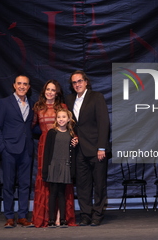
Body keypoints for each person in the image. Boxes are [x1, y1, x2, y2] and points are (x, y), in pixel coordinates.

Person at [65, 70, 110, 226]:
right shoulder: (69, 99)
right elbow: (70, 123)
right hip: (79, 150)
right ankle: (85, 214)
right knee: (83, 186)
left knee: (99, 184)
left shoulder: (96, 97)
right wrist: (73, 137)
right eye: (74, 82)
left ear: (86, 82)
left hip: (97, 149)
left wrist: (102, 147)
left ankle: (98, 214)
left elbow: (104, 123)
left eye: (79, 81)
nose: (77, 84)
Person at [31, 80, 76, 227]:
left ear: (57, 93)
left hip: (61, 145)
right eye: (48, 89)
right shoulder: (38, 107)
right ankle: (44, 218)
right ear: (44, 91)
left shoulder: (62, 107)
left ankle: (60, 217)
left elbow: (69, 127)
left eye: (53, 90)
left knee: (62, 184)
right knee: (46, 181)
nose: (50, 92)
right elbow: (31, 127)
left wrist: (74, 138)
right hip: (45, 145)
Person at [0, 75, 35, 228]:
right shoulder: (4, 103)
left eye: (25, 84)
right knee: (8, 185)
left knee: (25, 185)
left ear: (29, 87)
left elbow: (30, 127)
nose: (22, 86)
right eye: (19, 84)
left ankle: (22, 216)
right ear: (14, 85)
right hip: (9, 150)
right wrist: (2, 148)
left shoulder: (32, 104)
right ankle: (9, 217)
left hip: (26, 150)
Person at [42, 108, 76, 228]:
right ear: (56, 119)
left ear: (68, 119)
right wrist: (45, 169)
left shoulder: (71, 134)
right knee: (53, 193)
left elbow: (73, 152)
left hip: (65, 165)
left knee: (62, 193)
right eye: (59, 117)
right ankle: (51, 219)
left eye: (63, 117)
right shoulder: (52, 133)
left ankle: (62, 219)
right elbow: (47, 152)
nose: (61, 119)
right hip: (53, 165)